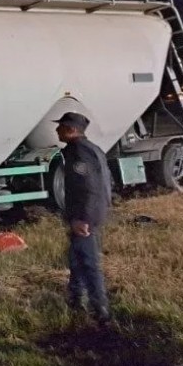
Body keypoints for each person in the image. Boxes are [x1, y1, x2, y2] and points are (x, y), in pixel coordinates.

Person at [54, 112, 112, 325]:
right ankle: (75, 299)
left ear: (71, 129)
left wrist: (82, 219)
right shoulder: (92, 149)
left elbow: (88, 187)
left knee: (88, 263)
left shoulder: (78, 152)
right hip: (91, 215)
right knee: (77, 259)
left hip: (84, 218)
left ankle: (100, 309)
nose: (56, 130)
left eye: (60, 127)